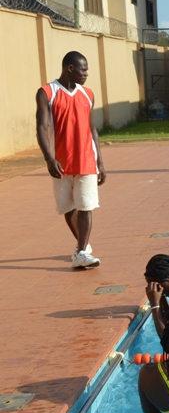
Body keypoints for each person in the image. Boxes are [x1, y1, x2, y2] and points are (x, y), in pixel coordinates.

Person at [35, 51, 107, 269]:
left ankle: (82, 251)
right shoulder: (47, 92)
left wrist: (100, 162)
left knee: (86, 206)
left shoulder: (88, 94)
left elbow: (92, 129)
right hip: (61, 161)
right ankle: (81, 246)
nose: (86, 74)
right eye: (83, 69)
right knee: (68, 208)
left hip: (86, 160)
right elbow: (42, 127)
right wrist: (49, 158)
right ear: (70, 68)